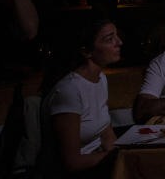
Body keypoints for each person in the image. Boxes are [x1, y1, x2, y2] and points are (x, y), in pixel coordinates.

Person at [39, 15, 121, 177]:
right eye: (109, 39)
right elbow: (71, 162)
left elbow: (107, 137)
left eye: (116, 36)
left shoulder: (101, 79)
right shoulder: (69, 90)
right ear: (86, 51)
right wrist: (117, 157)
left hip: (100, 164)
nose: (119, 42)